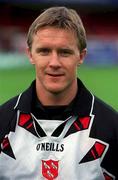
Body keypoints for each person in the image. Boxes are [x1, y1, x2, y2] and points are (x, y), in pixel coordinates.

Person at [0, 6, 118, 180]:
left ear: (81, 56)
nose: (54, 62)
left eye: (64, 52)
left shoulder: (112, 128)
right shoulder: (3, 122)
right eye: (44, 51)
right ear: (30, 55)